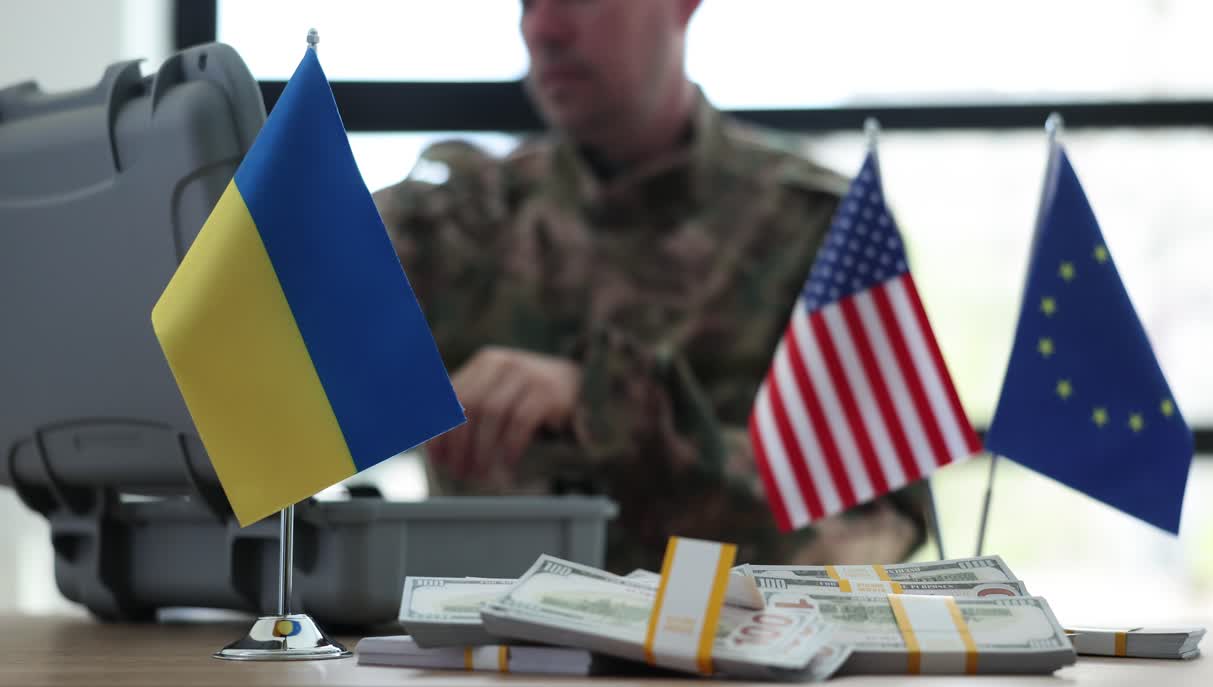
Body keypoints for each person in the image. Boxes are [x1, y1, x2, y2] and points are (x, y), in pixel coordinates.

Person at [374, 0, 928, 573]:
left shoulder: (817, 228)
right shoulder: (456, 223)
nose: (542, 29)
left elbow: (874, 531)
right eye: (527, 3)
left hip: (727, 652)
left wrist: (609, 411)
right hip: (472, 656)